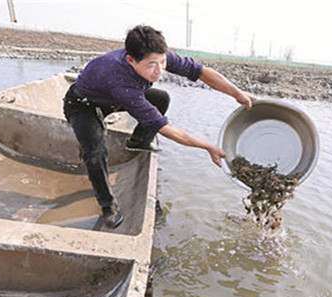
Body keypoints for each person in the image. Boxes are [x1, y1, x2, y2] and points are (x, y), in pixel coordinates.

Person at [63, 25, 256, 228]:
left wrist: (237, 94)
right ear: (130, 60)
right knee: (95, 151)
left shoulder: (156, 55)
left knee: (161, 98)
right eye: (151, 65)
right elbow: (166, 129)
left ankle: (138, 141)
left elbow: (201, 72)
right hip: (83, 105)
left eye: (163, 62)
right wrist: (207, 146)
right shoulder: (121, 83)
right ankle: (108, 206)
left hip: (110, 99)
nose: (159, 70)